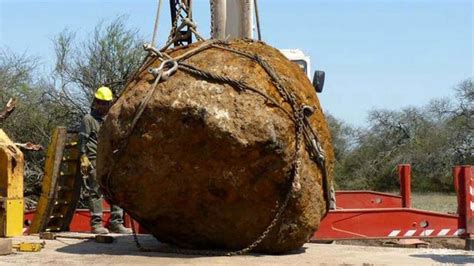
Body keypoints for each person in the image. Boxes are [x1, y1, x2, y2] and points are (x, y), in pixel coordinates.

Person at [79, 86, 132, 234]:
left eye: (106, 103)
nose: (103, 106)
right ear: (95, 102)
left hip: (109, 159)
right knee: (95, 190)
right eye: (100, 102)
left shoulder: (110, 119)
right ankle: (96, 224)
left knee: (114, 189)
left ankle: (116, 222)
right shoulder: (88, 119)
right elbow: (82, 139)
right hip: (94, 159)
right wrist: (83, 156)